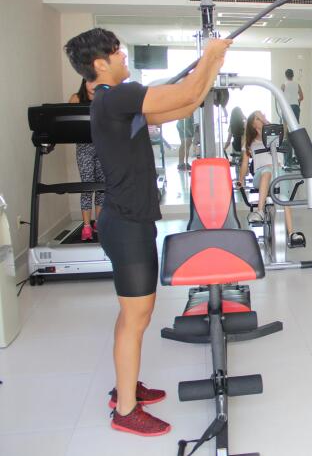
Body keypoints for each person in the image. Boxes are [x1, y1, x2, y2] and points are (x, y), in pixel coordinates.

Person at [64, 27, 231, 436]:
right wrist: (210, 55)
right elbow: (188, 92)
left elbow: (186, 104)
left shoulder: (112, 103)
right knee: (136, 318)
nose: (123, 56)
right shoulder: (117, 96)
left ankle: (125, 387)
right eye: (116, 52)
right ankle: (125, 409)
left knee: (131, 315)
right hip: (126, 224)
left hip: (126, 220)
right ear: (100, 64)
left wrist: (213, 62)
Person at [237, 110, 305, 247]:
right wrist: (240, 180)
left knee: (283, 199)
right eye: (257, 118)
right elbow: (244, 164)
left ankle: (291, 234)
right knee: (267, 171)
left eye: (262, 116)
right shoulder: (250, 142)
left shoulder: (275, 136)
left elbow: (284, 129)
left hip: (278, 175)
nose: (261, 118)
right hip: (260, 175)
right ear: (252, 124)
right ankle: (260, 211)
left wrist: (272, 120)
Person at [69, 78, 104, 240]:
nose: (93, 86)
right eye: (90, 82)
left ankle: (99, 223)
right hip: (84, 148)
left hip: (103, 146)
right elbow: (68, 124)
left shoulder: (104, 98)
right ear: (84, 82)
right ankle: (86, 226)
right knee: (87, 186)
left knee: (102, 187)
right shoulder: (76, 98)